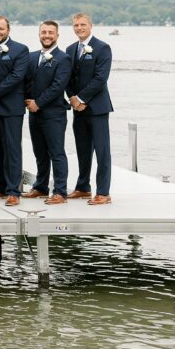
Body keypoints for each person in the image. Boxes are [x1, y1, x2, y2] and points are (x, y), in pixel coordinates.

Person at [66, 13, 114, 205]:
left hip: (97, 107)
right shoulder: (70, 49)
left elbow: (100, 78)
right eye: (76, 25)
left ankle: (103, 192)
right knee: (82, 149)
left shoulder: (102, 48)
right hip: (78, 109)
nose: (79, 28)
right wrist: (72, 98)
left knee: (102, 151)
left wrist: (82, 98)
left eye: (82, 24)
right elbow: (66, 77)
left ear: (91, 26)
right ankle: (83, 187)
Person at [0, 16, 29, 206]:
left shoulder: (20, 49)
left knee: (12, 149)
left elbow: (17, 76)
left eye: (1, 29)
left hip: (11, 107)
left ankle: (13, 191)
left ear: (8, 30)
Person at [23, 20, 71, 204]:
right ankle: (41, 187)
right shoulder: (32, 57)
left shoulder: (63, 58)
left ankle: (60, 191)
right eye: (44, 32)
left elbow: (58, 86)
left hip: (54, 114)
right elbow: (26, 82)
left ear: (57, 35)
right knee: (39, 152)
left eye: (51, 32)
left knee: (56, 152)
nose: (47, 35)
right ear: (39, 34)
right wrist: (27, 101)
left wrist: (38, 103)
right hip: (34, 113)